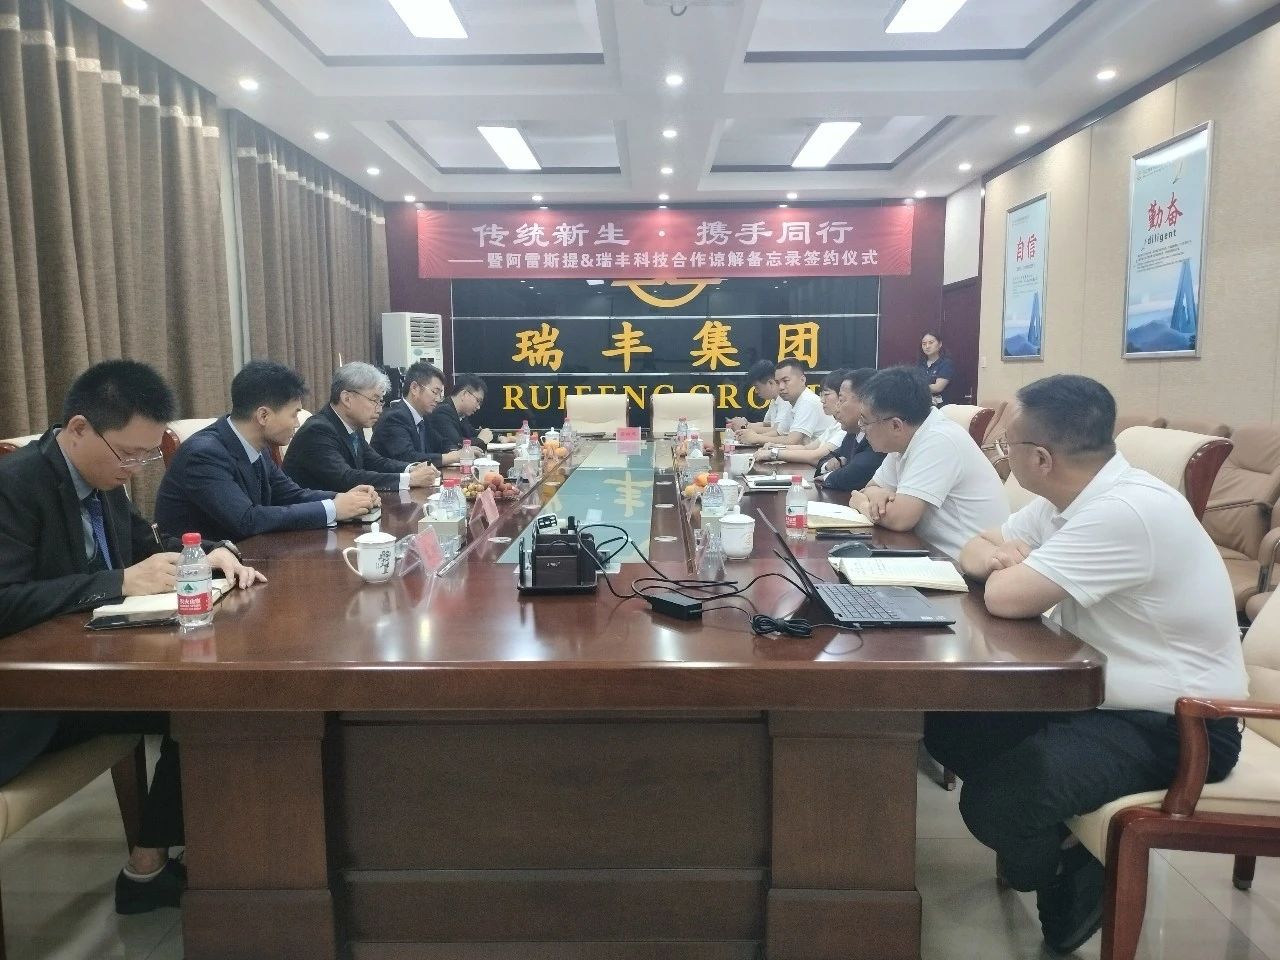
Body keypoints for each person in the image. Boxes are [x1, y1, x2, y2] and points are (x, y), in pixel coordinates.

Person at [932, 374, 1246, 954]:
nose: (1003, 457)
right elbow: (975, 545)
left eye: (1007, 447)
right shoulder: (1070, 500)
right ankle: (1064, 846)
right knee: (946, 722)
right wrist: (998, 557)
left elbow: (1006, 597)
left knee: (997, 801)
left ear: (1041, 458)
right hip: (1095, 700)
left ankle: (1066, 874)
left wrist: (1001, 568)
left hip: (1181, 725)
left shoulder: (1125, 510)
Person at [0, 360, 264, 913]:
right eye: (128, 454)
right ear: (78, 428)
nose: (136, 469)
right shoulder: (16, 485)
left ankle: (164, 861)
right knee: (209, 705)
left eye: (147, 456)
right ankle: (157, 871)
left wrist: (205, 553)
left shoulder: (103, 480)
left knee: (222, 696)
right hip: (30, 697)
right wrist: (117, 582)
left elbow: (146, 545)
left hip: (92, 665)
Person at [155, 361, 380, 541]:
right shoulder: (204, 455)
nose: (297, 423)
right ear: (263, 415)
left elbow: (290, 494)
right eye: (294, 414)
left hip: (251, 555)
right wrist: (333, 508)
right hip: (205, 571)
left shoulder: (257, 447)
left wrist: (344, 499)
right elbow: (246, 519)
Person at [847, 366, 1008, 561]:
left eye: (865, 422)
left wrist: (861, 504)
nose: (862, 428)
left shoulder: (938, 439)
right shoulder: (906, 437)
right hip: (928, 553)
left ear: (896, 425)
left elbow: (900, 519)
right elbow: (871, 488)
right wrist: (876, 494)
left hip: (964, 566)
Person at [283, 362, 440, 493]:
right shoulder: (318, 431)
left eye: (381, 401)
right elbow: (346, 478)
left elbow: (375, 461)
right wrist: (409, 479)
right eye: (374, 400)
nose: (379, 409)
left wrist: (411, 468)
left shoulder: (352, 425)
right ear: (347, 399)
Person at [815, 368, 886, 492]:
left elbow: (856, 473)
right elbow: (824, 460)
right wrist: (827, 466)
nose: (837, 406)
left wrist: (828, 476)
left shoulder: (879, 434)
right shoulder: (852, 434)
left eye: (841, 400)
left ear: (865, 401)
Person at [739, 358, 835, 447]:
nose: (781, 387)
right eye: (778, 382)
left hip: (822, 457)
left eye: (785, 381)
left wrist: (756, 437)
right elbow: (779, 432)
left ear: (802, 380)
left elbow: (792, 441)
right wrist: (749, 436)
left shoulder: (807, 401)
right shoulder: (791, 401)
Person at [760, 369, 847, 466]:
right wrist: (775, 448)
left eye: (826, 394)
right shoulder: (835, 424)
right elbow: (807, 448)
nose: (822, 400)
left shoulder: (845, 429)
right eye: (821, 395)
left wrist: (774, 453)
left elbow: (816, 456)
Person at [370, 361, 448, 467]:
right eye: (435, 392)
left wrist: (459, 451)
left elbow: (441, 444)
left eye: (440, 394)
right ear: (414, 388)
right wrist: (452, 457)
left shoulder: (424, 418)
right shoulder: (394, 418)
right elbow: (408, 457)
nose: (438, 399)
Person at [428, 373, 493, 454]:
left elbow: (473, 434)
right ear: (464, 394)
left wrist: (499, 438)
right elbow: (456, 444)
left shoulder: (460, 414)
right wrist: (481, 440)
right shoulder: (442, 412)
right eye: (478, 401)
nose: (478, 407)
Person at [726, 359, 782, 436]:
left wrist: (744, 427)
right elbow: (766, 424)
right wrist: (746, 424)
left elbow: (778, 431)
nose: (756, 391)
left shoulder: (785, 401)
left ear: (770, 383)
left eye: (757, 387)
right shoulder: (774, 400)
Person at [918, 331, 955, 407]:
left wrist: (915, 387)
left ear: (940, 344)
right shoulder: (920, 364)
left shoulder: (946, 363)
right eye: (924, 344)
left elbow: (938, 387)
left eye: (931, 343)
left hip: (942, 407)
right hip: (923, 406)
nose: (927, 346)